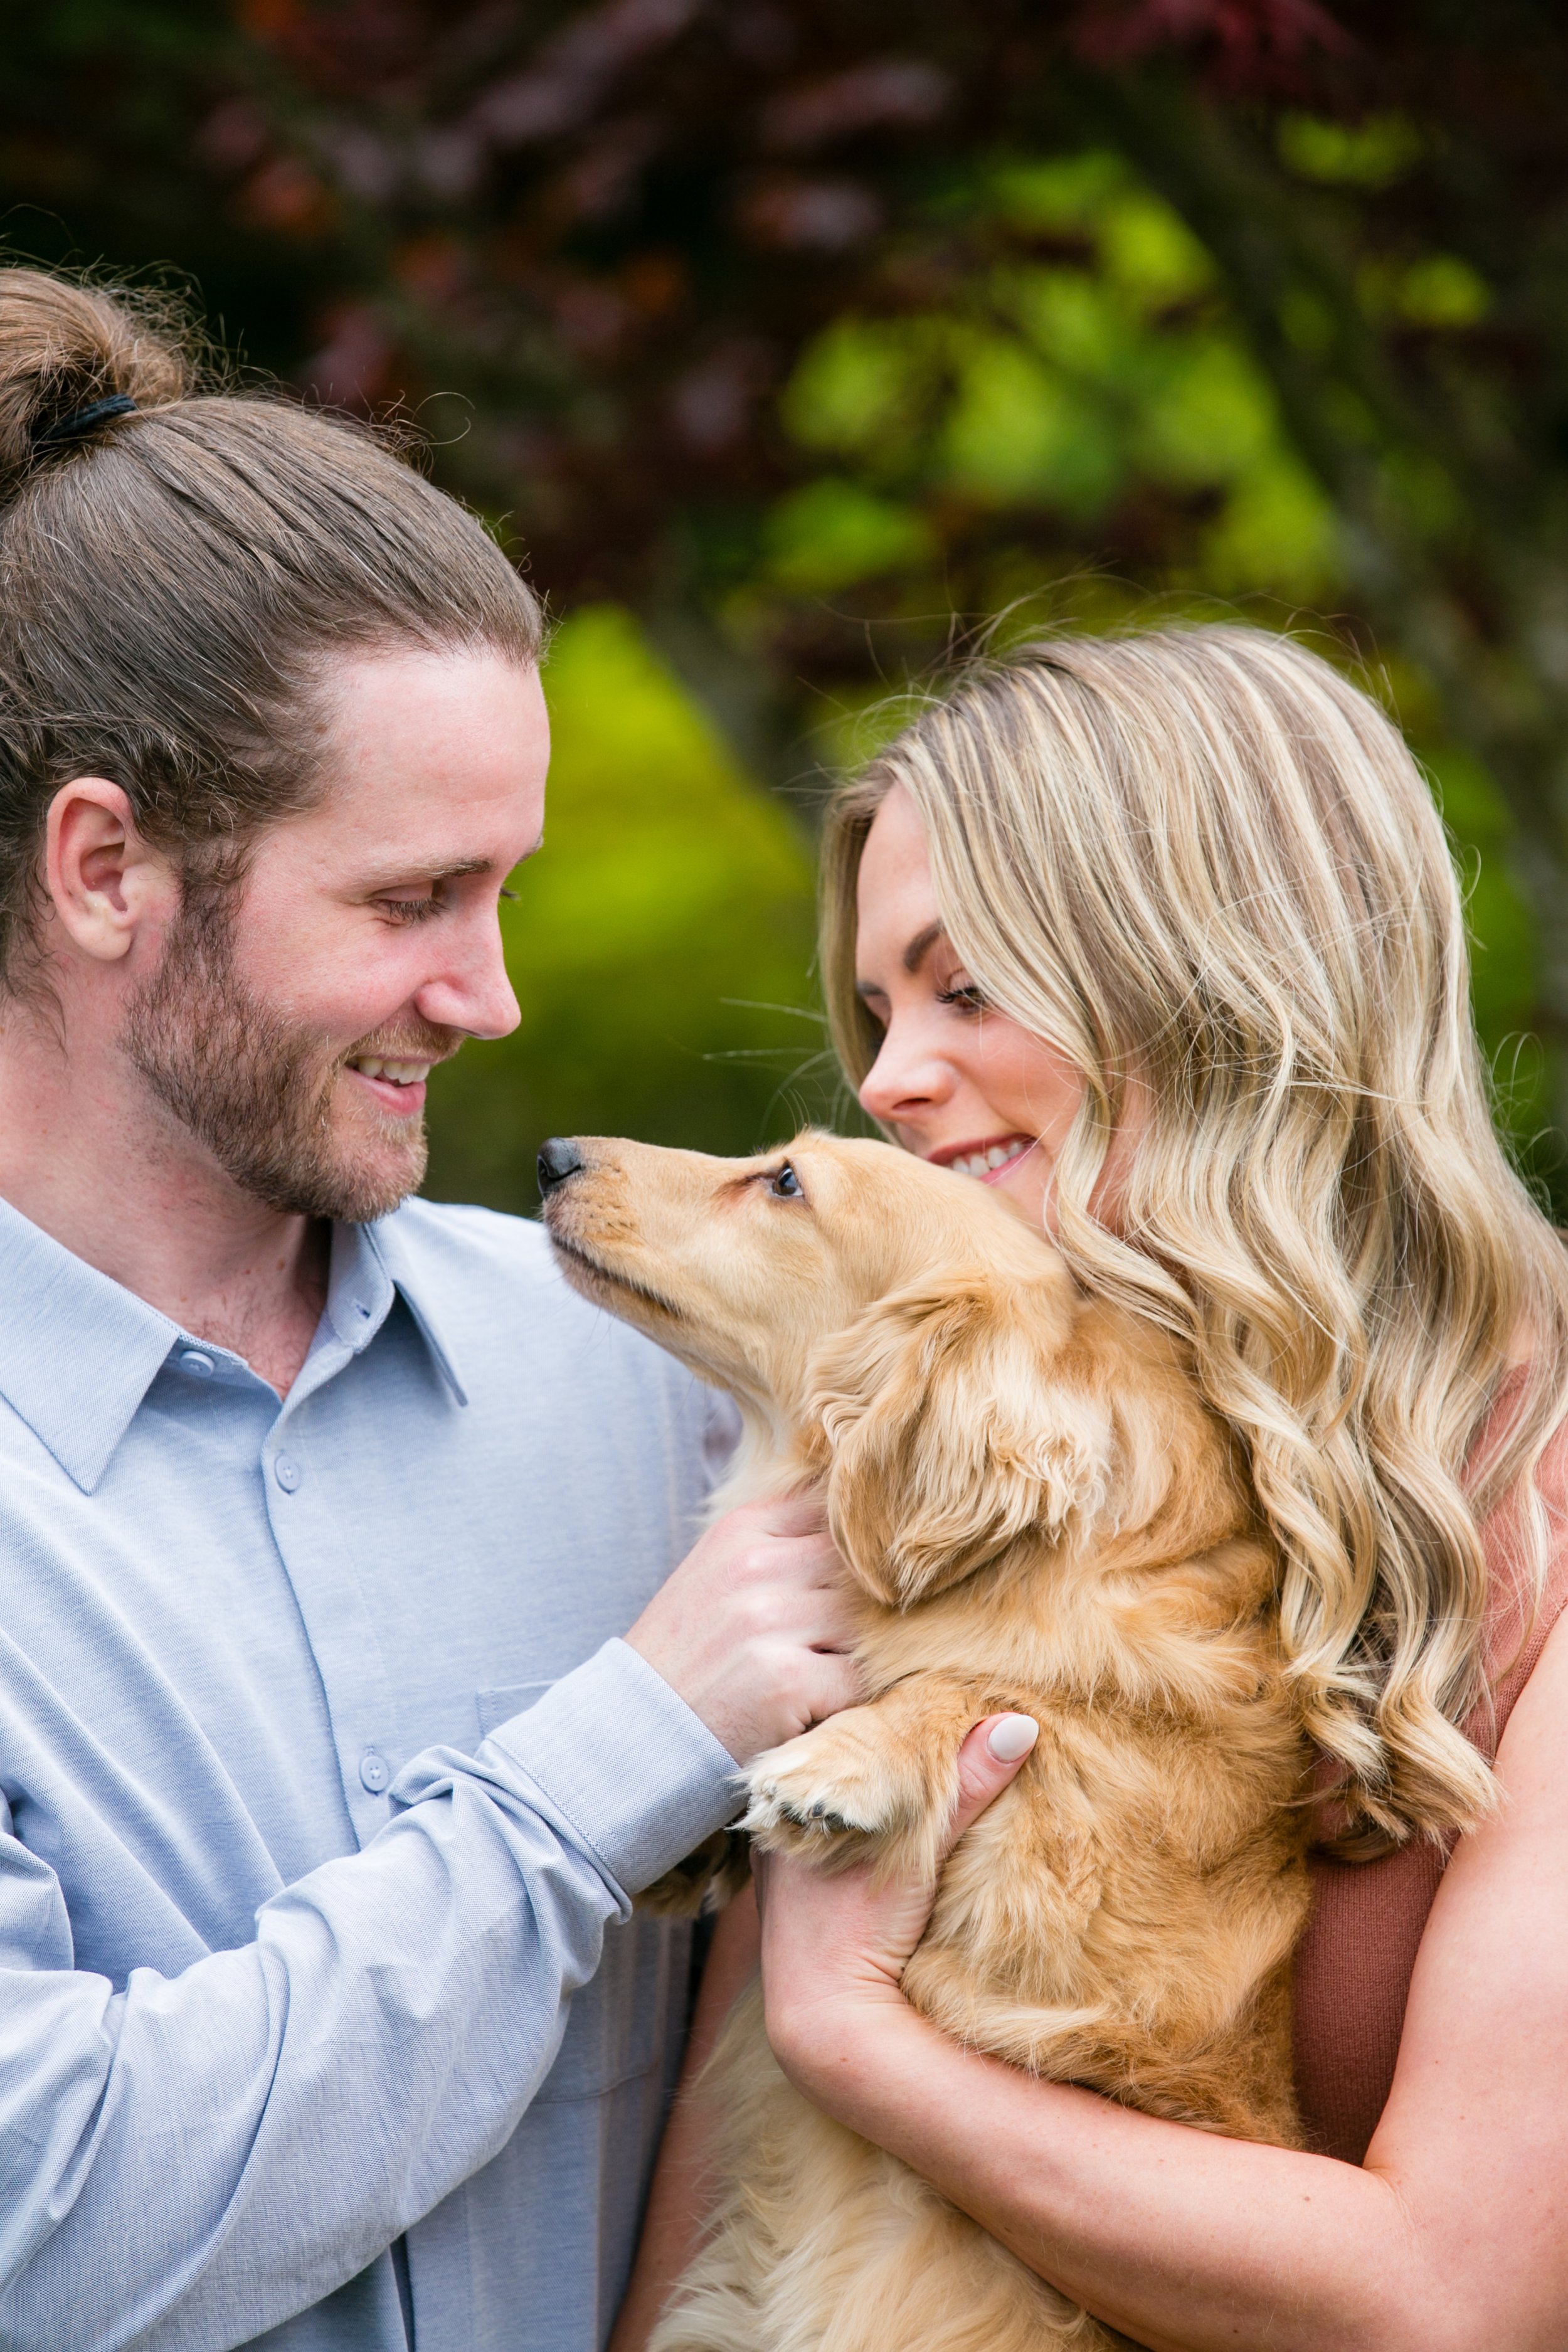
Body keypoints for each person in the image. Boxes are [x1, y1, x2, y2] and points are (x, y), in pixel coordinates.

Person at [0, 267, 866, 2352]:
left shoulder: (655, 1385)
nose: (489, 998)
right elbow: (48, 2224)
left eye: (503, 890)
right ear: (106, 867)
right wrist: (615, 1761)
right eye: (405, 903)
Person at [616, 626, 1568, 2350]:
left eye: (963, 987)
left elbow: (1450, 2299)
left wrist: (857, 2041)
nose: (889, 1082)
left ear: (1214, 976)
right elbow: (737, 2193)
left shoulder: (1538, 1484)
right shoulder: (977, 1465)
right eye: (878, 1011)